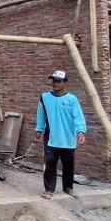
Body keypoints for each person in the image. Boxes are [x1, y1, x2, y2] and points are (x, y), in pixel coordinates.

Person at [35, 70, 87, 199]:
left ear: (64, 83)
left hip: (68, 138)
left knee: (68, 165)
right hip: (51, 137)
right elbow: (41, 115)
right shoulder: (45, 97)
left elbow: (78, 117)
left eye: (58, 81)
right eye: (53, 80)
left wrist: (80, 131)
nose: (55, 83)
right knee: (50, 163)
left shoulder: (72, 99)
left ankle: (68, 187)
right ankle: (49, 189)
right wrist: (39, 129)